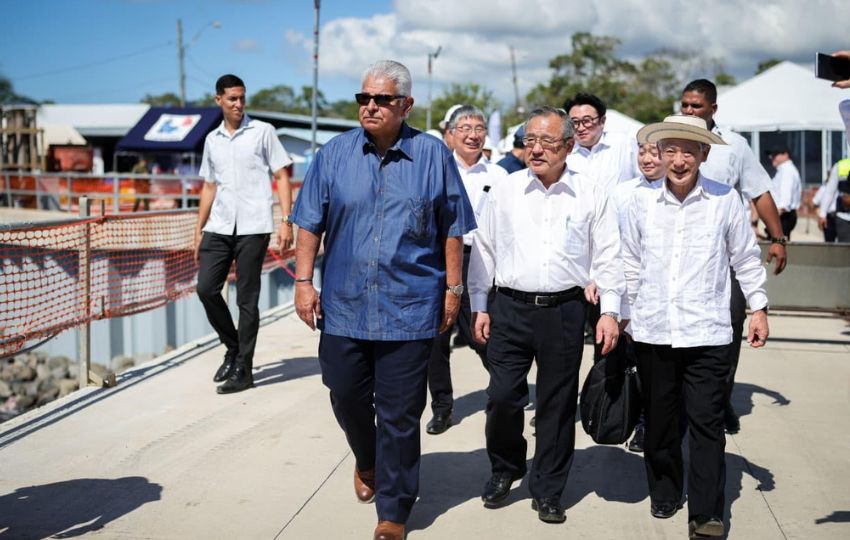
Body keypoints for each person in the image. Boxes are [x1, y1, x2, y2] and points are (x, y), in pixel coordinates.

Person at [291, 60, 475, 540]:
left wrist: (453, 290)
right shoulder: (332, 155)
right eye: (363, 99)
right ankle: (367, 458)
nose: (369, 106)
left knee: (399, 412)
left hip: (410, 306)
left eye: (381, 100)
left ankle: (393, 510)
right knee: (345, 391)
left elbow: (452, 227)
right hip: (345, 305)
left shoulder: (433, 155)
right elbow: (309, 221)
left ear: (406, 106)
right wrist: (303, 281)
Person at [469, 106, 623, 524]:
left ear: (569, 146)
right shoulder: (504, 189)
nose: (535, 149)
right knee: (502, 397)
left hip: (566, 311)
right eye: (529, 140)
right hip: (510, 308)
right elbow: (483, 251)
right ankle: (506, 467)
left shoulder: (591, 192)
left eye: (546, 142)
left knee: (557, 406)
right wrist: (479, 305)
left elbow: (608, 256)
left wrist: (610, 311)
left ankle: (549, 489)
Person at [622, 115, 769, 539]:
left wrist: (758, 308)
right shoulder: (641, 202)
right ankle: (665, 489)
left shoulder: (725, 200)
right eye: (671, 150)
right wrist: (626, 311)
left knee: (706, 423)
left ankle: (706, 513)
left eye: (689, 151)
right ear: (659, 153)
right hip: (654, 329)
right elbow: (630, 259)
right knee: (661, 420)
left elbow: (744, 258)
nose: (679, 159)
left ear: (704, 155)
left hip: (707, 330)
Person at [679, 79, 786, 434]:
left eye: (696, 106)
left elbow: (760, 192)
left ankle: (719, 399)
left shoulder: (734, 147)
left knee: (728, 328)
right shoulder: (668, 140)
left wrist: (778, 237)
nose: (689, 112)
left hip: (724, 260)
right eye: (685, 105)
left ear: (713, 109)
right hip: (676, 257)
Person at [194, 74, 294, 395]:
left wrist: (286, 221)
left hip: (253, 226)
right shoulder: (212, 140)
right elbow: (209, 186)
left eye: (242, 98)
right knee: (206, 289)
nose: (238, 104)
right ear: (218, 100)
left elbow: (281, 175)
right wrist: (199, 230)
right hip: (219, 226)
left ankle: (245, 371)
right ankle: (233, 347)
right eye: (232, 99)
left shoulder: (263, 132)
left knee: (246, 301)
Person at [426, 105, 506, 436]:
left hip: (481, 259)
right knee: (436, 339)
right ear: (452, 134)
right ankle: (442, 407)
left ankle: (504, 393)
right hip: (440, 258)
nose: (473, 135)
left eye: (479, 128)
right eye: (465, 128)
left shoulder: (500, 176)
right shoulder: (437, 170)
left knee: (482, 333)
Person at [610, 140, 667, 454]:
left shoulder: (675, 192)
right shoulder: (622, 193)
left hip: (664, 292)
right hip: (629, 289)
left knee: (659, 364)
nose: (647, 159)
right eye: (642, 152)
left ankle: (652, 423)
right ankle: (633, 419)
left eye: (655, 152)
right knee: (633, 360)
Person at [564, 92, 640, 194]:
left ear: (602, 121)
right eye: (575, 122)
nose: (581, 128)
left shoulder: (624, 144)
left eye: (587, 120)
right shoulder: (565, 153)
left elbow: (642, 179)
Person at [766, 146, 802, 239]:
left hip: (783, 216)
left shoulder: (787, 170)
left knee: (777, 247)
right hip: (781, 216)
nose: (772, 157)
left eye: (775, 155)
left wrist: (772, 219)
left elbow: (785, 201)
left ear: (786, 155)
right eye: (771, 155)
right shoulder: (782, 170)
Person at [818, 156, 850, 242]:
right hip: (845, 218)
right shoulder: (841, 166)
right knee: (845, 252)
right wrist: (822, 214)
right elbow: (829, 191)